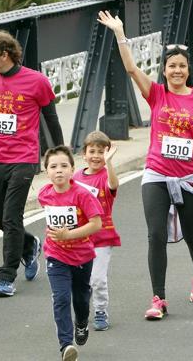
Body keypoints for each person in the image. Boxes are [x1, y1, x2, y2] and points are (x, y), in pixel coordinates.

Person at [97, 11, 193, 320]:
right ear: (164, 70)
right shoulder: (156, 94)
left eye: (181, 66)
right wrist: (120, 33)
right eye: (171, 66)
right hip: (156, 174)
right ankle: (158, 298)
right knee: (155, 234)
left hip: (189, 178)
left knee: (191, 234)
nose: (176, 70)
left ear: (188, 71)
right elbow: (131, 68)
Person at [0, 28, 65, 297]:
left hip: (24, 158)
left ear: (4, 54)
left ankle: (6, 277)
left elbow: (51, 118)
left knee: (11, 216)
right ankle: (29, 245)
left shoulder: (36, 81)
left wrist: (58, 152)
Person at [40, 145, 102, 360]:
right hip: (56, 255)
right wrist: (59, 237)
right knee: (61, 298)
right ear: (46, 171)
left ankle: (82, 322)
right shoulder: (44, 195)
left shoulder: (82, 195)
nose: (59, 170)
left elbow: (96, 224)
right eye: (53, 166)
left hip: (82, 256)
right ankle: (66, 345)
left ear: (72, 169)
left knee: (81, 299)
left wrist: (69, 235)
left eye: (64, 166)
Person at [72, 131, 120, 331]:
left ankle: (100, 310)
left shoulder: (105, 177)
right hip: (79, 237)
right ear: (84, 154)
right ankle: (83, 310)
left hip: (102, 237)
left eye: (101, 152)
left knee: (98, 279)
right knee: (81, 281)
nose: (96, 156)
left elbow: (113, 184)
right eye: (92, 151)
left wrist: (109, 163)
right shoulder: (76, 177)